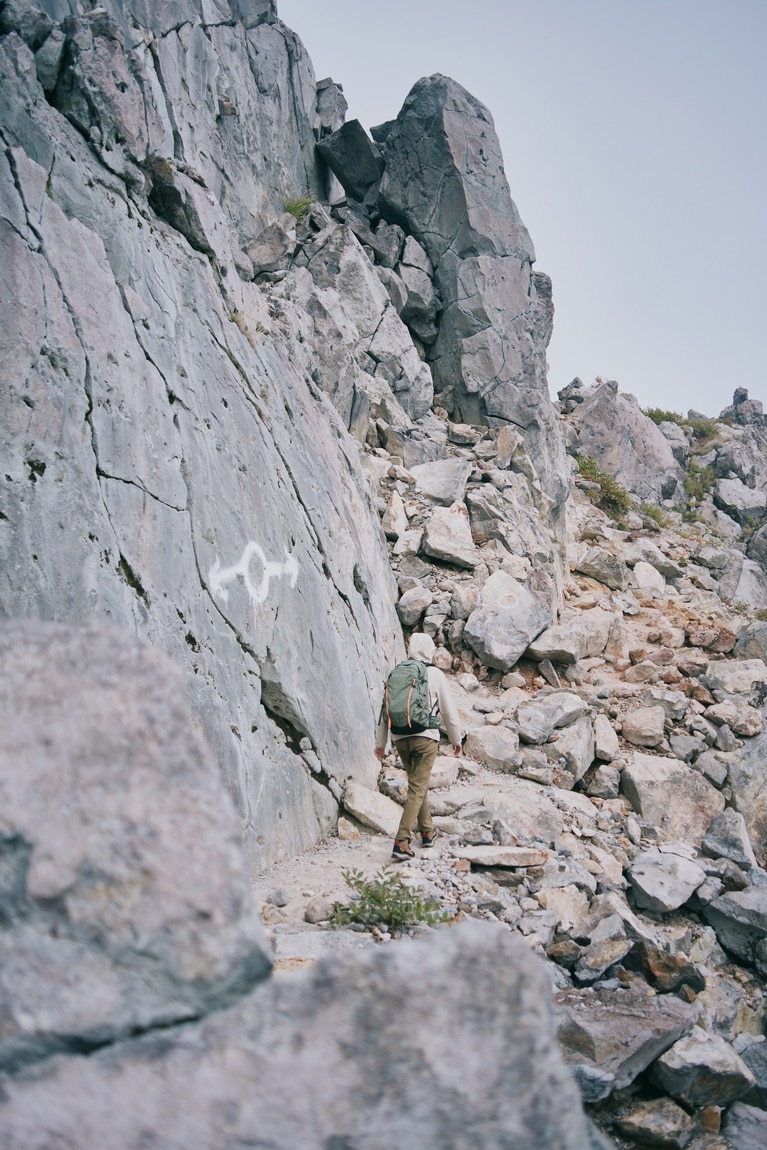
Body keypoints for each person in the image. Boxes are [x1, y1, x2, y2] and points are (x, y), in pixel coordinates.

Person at [375, 633, 463, 860]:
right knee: (418, 787)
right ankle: (401, 841)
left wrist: (380, 744)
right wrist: (456, 740)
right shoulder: (435, 674)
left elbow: (384, 709)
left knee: (417, 784)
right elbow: (449, 711)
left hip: (400, 737)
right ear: (429, 650)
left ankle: (426, 832)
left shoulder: (397, 672)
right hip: (425, 738)